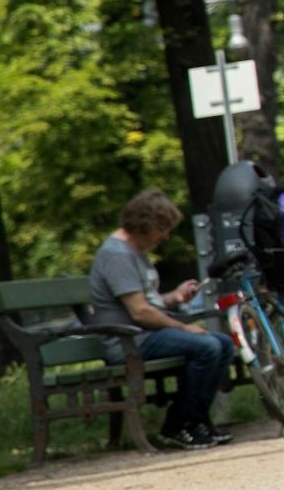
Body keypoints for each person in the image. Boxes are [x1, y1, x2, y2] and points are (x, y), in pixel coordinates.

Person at [88, 188, 236, 450]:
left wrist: (175, 297)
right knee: (207, 346)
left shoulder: (135, 252)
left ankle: (197, 421)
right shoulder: (118, 255)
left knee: (223, 343)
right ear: (144, 224)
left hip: (145, 333)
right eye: (162, 228)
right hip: (129, 341)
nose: (166, 235)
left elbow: (150, 303)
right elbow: (139, 312)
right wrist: (183, 327)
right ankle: (177, 425)